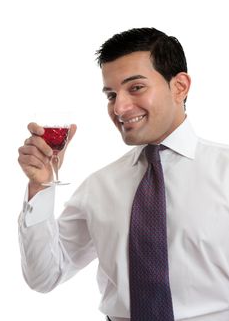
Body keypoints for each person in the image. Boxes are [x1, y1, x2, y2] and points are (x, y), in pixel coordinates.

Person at [18, 27, 229, 321]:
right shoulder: (100, 186)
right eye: (111, 94)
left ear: (179, 86)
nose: (119, 107)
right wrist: (40, 186)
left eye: (136, 88)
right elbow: (44, 276)